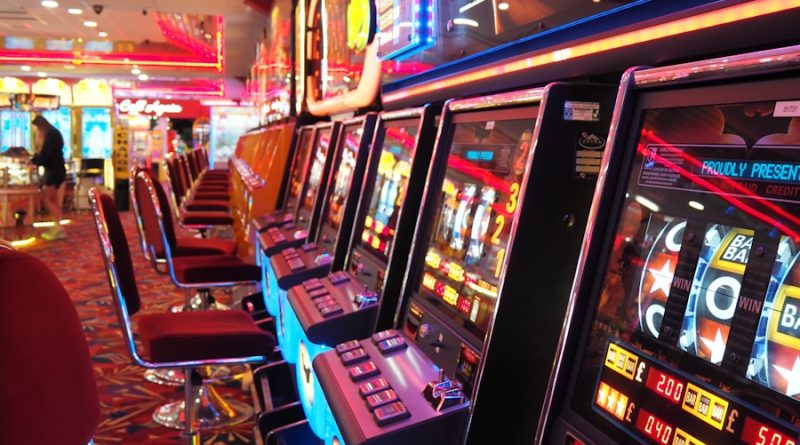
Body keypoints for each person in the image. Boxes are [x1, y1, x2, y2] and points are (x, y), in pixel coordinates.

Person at [31, 114, 67, 240]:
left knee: (46, 199)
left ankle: (59, 227)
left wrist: (34, 160)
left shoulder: (50, 135)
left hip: (53, 171)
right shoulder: (54, 133)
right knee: (55, 201)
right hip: (59, 169)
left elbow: (46, 156)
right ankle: (58, 227)